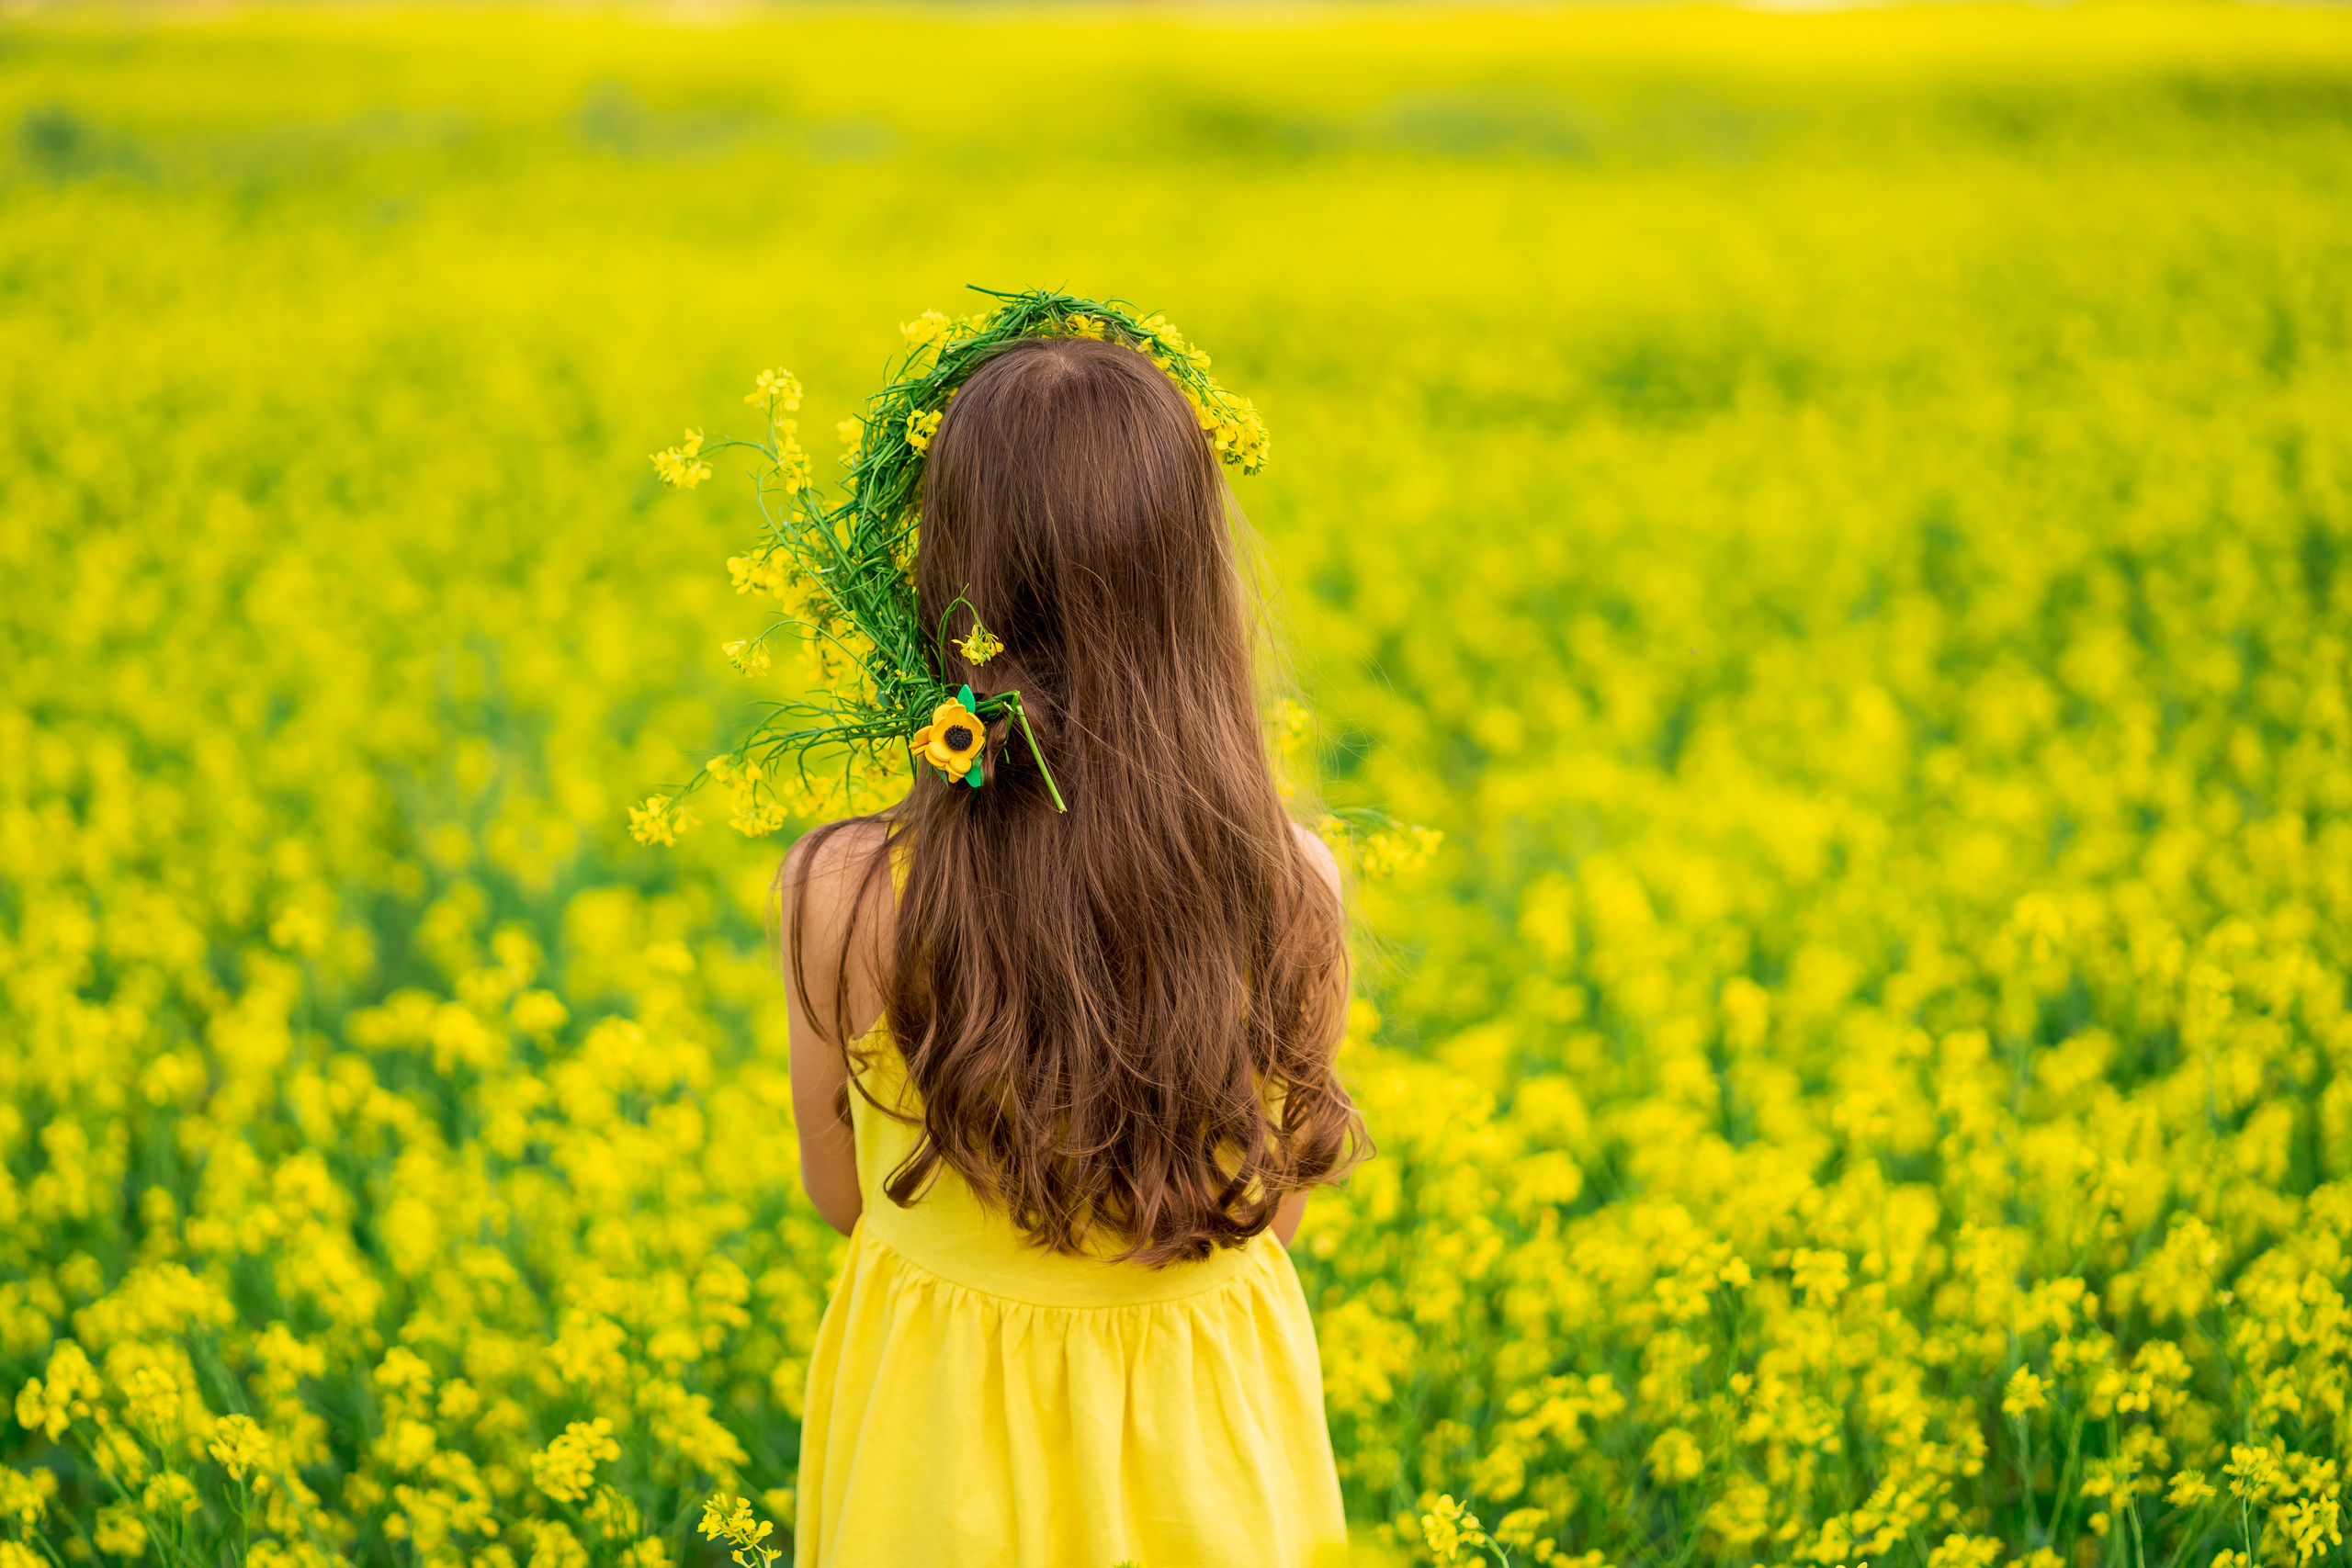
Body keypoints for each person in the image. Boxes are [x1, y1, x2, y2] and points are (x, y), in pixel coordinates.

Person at [779, 332, 1364, 1566]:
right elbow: (1276, 1216)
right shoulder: (1293, 887)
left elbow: (844, 1198)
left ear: (936, 579)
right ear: (1194, 581)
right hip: (1203, 1444)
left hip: (938, 1449)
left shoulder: (845, 889)